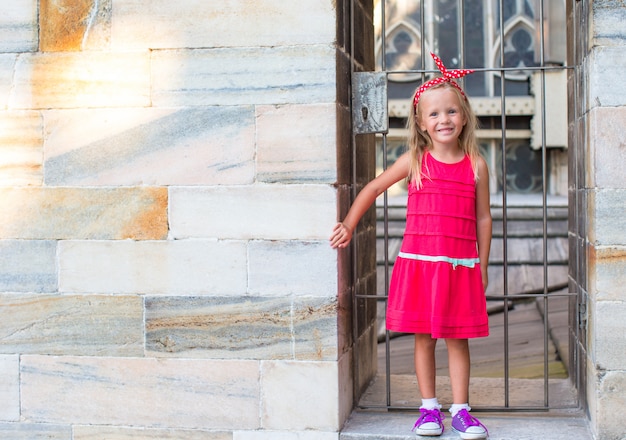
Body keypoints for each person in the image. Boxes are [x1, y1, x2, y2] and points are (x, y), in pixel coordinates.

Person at [330, 53, 492, 440]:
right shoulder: (415, 160)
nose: (444, 120)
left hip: (459, 266)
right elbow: (372, 187)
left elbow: (484, 218)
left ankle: (462, 412)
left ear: (464, 115)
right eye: (434, 114)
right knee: (424, 338)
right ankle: (429, 410)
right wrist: (349, 224)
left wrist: (481, 265)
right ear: (421, 123)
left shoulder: (476, 165)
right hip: (419, 265)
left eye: (451, 111)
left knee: (458, 339)